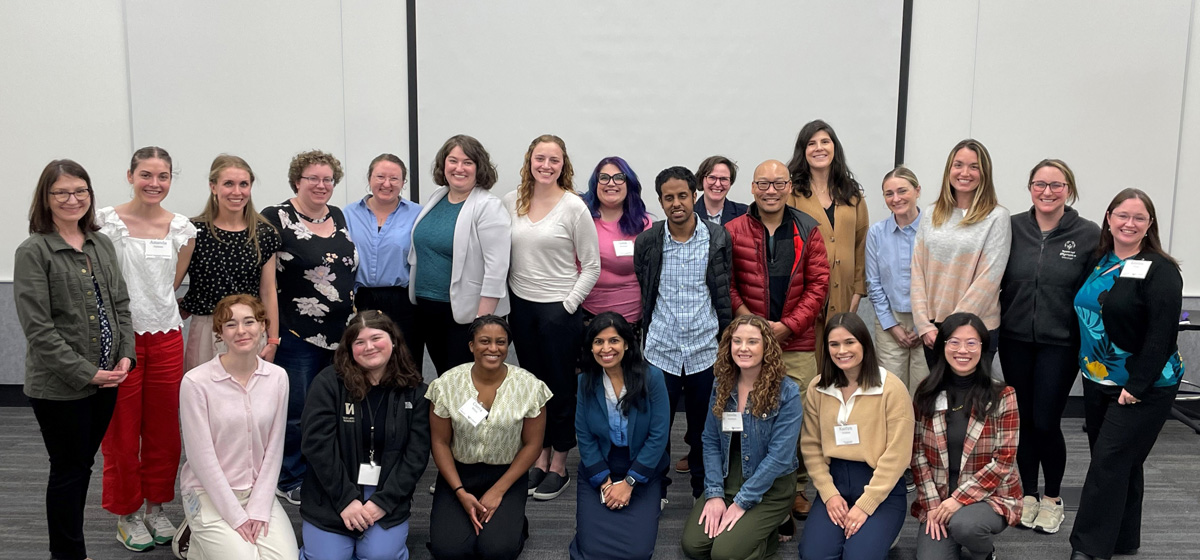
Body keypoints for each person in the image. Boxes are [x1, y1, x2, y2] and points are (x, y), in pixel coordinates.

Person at [16, 159, 136, 560]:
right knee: (67, 471)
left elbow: (119, 303)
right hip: (61, 386)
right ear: (46, 199)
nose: (72, 200)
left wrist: (125, 356)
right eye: (61, 193)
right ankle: (67, 554)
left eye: (80, 191)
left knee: (82, 466)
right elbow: (39, 329)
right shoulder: (34, 251)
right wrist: (88, 373)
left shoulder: (100, 243)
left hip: (108, 378)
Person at [1069, 188, 1185, 560]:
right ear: (1108, 218)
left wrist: (1137, 385)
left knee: (1108, 463)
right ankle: (1122, 538)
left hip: (1144, 385)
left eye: (1138, 217)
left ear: (1149, 224)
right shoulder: (1099, 260)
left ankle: (1087, 550)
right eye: (1122, 215)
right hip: (1098, 378)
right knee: (1121, 462)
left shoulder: (1161, 270)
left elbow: (1162, 334)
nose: (1129, 223)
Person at [96, 146, 197, 551]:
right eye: (146, 174)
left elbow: (172, 282)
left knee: (164, 431)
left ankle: (155, 508)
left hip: (167, 337)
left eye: (163, 176)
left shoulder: (182, 228)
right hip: (121, 338)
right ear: (130, 175)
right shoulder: (104, 223)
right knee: (121, 431)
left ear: (171, 179)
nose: (154, 183)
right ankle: (127, 513)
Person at [998, 159, 1099, 534]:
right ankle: (1027, 493)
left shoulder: (1087, 234)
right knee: (1023, 421)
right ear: (1029, 189)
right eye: (1040, 184)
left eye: (1056, 185)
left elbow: (1097, 291)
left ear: (1068, 190)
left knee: (1046, 420)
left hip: (1061, 342)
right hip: (1014, 338)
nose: (1047, 192)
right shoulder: (1010, 228)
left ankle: (1053, 499)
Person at [725, 159, 830, 518]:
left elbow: (819, 286)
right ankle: (746, 482)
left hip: (796, 343)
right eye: (763, 184)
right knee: (751, 414)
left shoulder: (809, 229)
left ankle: (797, 486)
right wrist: (752, 326)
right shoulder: (733, 230)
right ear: (752, 188)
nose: (771, 190)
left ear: (789, 187)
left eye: (779, 183)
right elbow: (727, 284)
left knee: (798, 420)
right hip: (747, 343)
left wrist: (788, 326)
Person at [503, 134, 601, 500]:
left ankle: (559, 460)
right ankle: (538, 455)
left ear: (564, 165)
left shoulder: (573, 207)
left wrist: (568, 306)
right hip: (521, 308)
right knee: (531, 388)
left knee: (559, 389)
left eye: (554, 160)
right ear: (529, 160)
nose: (546, 165)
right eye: (540, 158)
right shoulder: (511, 201)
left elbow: (591, 265)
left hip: (559, 310)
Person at [261, 149, 359, 505]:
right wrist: (271, 334)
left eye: (328, 179)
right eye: (312, 179)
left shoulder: (338, 215)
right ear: (296, 181)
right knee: (297, 410)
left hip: (341, 333)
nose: (321, 185)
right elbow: (267, 284)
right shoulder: (276, 217)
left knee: (332, 406)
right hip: (297, 333)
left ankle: (323, 469)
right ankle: (290, 476)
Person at [634, 166, 733, 499]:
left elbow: (722, 288)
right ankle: (657, 490)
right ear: (660, 201)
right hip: (661, 350)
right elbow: (645, 286)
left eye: (682, 196)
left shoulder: (718, 238)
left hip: (705, 349)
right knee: (657, 428)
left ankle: (702, 490)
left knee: (704, 427)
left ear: (695, 196)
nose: (676, 203)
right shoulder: (648, 241)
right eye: (668, 198)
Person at [299, 310, 431, 560]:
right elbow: (317, 447)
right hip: (332, 491)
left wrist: (383, 502)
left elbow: (416, 456)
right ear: (349, 349)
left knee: (379, 556)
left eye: (376, 338)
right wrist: (346, 500)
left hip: (386, 492)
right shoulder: (328, 384)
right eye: (359, 342)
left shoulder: (415, 391)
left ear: (393, 340)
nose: (369, 347)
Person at [176, 294, 298, 560]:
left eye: (249, 322)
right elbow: (200, 459)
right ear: (220, 332)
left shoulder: (277, 378)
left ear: (263, 326)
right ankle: (199, 534)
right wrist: (236, 516)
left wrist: (258, 508)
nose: (241, 330)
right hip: (208, 492)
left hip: (256, 491)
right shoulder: (196, 382)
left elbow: (274, 450)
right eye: (230, 324)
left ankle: (202, 548)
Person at [426, 316, 551, 560]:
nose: (493, 349)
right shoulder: (446, 385)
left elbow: (533, 444)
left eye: (500, 342)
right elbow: (439, 442)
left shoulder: (530, 387)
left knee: (496, 551)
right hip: (458, 475)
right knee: (449, 551)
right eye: (485, 341)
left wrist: (498, 490)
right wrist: (460, 492)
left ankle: (514, 523)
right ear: (471, 345)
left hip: (507, 474)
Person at [680, 315, 802, 560]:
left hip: (770, 484)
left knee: (723, 554)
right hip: (728, 476)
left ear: (766, 347)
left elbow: (779, 458)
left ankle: (770, 529)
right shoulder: (721, 385)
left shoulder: (787, 392)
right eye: (737, 341)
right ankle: (760, 530)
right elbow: (711, 441)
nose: (743, 348)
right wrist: (714, 494)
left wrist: (742, 502)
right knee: (694, 546)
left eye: (752, 342)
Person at [799, 312, 914, 560]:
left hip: (880, 484)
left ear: (864, 343)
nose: (842, 351)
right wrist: (829, 494)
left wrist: (866, 505)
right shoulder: (818, 388)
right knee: (814, 556)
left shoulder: (891, 388)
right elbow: (811, 446)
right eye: (834, 344)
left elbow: (898, 454)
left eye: (850, 342)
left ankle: (883, 533)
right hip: (835, 482)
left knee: (858, 557)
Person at [911, 312, 1021, 560]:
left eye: (971, 342)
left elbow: (1004, 460)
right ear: (943, 347)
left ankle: (985, 553)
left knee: (966, 526)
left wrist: (958, 500)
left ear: (983, 347)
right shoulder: (926, 391)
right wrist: (932, 505)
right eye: (954, 342)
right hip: (939, 495)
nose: (963, 350)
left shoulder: (1002, 395)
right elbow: (917, 455)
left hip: (989, 495)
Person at [570, 312, 670, 559]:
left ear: (626, 343)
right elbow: (584, 435)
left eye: (613, 340)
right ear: (591, 347)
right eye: (598, 342)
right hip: (601, 467)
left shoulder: (653, 378)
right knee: (591, 550)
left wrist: (629, 483)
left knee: (637, 552)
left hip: (641, 467)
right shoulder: (585, 382)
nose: (606, 348)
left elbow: (658, 436)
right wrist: (604, 482)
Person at [409, 135, 511, 374]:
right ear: (443, 165)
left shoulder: (488, 206)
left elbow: (497, 269)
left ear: (479, 167)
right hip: (429, 310)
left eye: (467, 162)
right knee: (446, 380)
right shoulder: (438, 198)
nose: (459, 168)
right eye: (452, 161)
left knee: (467, 385)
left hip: (466, 317)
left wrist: (482, 323)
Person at [911, 139, 1011, 369]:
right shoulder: (931, 213)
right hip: (932, 330)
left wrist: (953, 332)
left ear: (984, 172)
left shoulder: (996, 217)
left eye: (974, 167)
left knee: (971, 402)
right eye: (958, 165)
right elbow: (917, 270)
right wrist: (923, 324)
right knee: (940, 401)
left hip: (975, 329)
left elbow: (989, 278)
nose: (965, 173)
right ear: (949, 169)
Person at [180, 155, 281, 372]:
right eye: (228, 184)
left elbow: (268, 290)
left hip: (250, 328)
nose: (237, 192)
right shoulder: (192, 231)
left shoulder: (264, 233)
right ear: (213, 187)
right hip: (208, 327)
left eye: (243, 184)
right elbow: (171, 283)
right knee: (206, 396)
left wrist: (273, 340)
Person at [785, 119, 869, 325]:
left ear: (834, 148)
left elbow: (861, 244)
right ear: (803, 151)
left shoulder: (852, 194)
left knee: (839, 353)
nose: (819, 148)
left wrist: (858, 292)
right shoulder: (792, 193)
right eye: (811, 143)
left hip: (846, 294)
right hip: (805, 297)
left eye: (825, 141)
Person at [346, 154, 423, 362]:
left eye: (394, 179)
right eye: (380, 177)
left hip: (403, 301)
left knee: (405, 361)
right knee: (364, 361)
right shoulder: (346, 215)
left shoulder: (419, 214)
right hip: (361, 300)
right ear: (369, 179)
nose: (386, 184)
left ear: (403, 183)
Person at [866, 166, 928, 395]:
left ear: (917, 191)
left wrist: (926, 324)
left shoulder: (933, 229)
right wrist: (891, 325)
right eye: (889, 193)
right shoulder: (876, 233)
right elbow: (873, 282)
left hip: (929, 321)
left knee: (924, 390)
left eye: (902, 191)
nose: (896, 198)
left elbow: (941, 280)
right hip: (890, 321)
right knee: (891, 391)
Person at [580, 156, 653, 326]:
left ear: (629, 184)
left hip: (630, 319)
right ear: (595, 184)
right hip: (586, 313)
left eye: (619, 177)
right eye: (604, 178)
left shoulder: (643, 223)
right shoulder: (581, 216)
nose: (611, 183)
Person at [696, 155, 747, 225]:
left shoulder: (745, 214)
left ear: (730, 182)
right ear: (702, 179)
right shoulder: (688, 214)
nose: (717, 184)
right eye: (712, 178)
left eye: (723, 179)